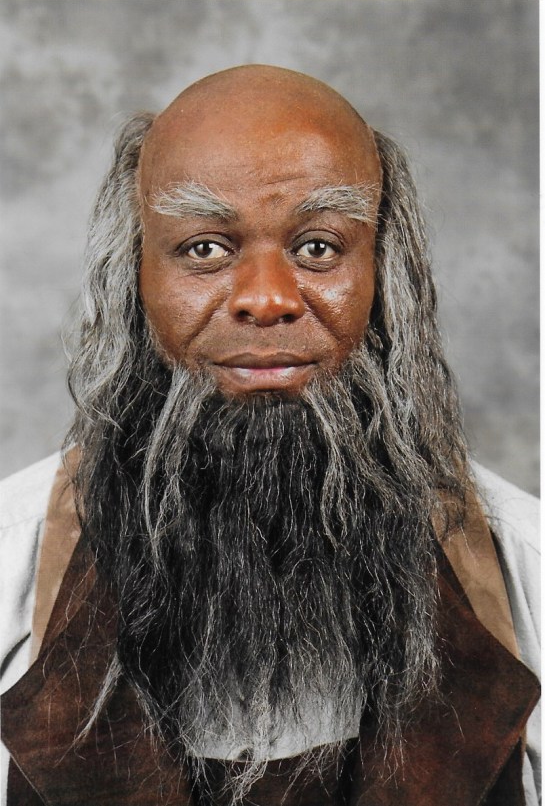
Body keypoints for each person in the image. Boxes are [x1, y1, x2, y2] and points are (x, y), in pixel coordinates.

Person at [0, 65, 539, 806]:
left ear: (385, 273)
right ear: (133, 276)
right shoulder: (11, 564)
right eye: (204, 249)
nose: (266, 299)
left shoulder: (526, 571)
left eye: (318, 247)